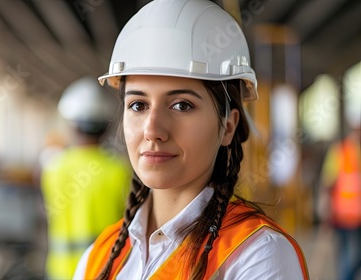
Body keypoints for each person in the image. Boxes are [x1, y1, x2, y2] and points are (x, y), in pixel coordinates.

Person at [73, 0, 309, 279]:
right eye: (138, 105)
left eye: (181, 105)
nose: (152, 130)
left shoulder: (259, 256)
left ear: (229, 126)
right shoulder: (98, 257)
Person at [41, 76, 131, 279]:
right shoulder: (119, 169)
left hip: (61, 270)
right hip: (105, 268)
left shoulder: (53, 167)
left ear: (71, 124)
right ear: (105, 126)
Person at [318, 122, 361, 280]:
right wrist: (325, 210)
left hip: (355, 215)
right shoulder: (340, 151)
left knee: (351, 257)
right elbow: (328, 182)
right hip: (343, 214)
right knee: (346, 256)